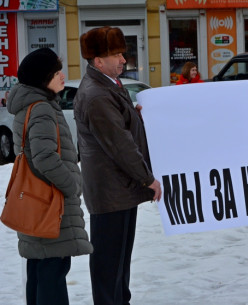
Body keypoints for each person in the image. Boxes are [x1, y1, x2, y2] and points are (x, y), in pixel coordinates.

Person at [73, 26, 162, 305]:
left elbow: (120, 130)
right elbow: (119, 145)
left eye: (123, 53)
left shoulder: (108, 86)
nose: (124, 59)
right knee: (109, 269)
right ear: (98, 61)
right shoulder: (97, 94)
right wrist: (147, 178)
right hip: (110, 193)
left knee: (119, 267)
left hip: (118, 191)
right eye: (117, 54)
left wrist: (135, 117)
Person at [7, 48, 93, 305]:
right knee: (53, 273)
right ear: (42, 78)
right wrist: (72, 183)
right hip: (50, 204)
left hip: (35, 203)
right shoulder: (43, 108)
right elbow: (44, 158)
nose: (62, 76)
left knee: (39, 270)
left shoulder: (29, 106)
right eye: (56, 72)